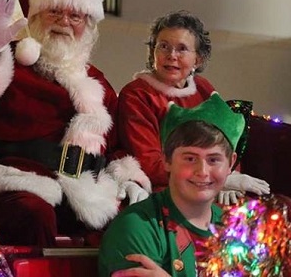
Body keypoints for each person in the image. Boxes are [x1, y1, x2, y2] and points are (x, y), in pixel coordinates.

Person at [0, 0, 150, 247]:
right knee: (34, 214)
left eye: (75, 16)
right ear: (34, 17)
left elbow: (116, 145)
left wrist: (128, 180)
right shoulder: (9, 64)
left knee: (136, 225)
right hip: (17, 183)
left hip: (85, 192)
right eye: (54, 11)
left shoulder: (98, 82)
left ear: (88, 26)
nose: (64, 21)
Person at [116, 10, 269, 205]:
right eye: (163, 46)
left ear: (198, 59)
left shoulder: (203, 88)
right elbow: (149, 164)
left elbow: (227, 140)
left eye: (181, 49)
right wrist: (219, 179)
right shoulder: (137, 94)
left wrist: (230, 176)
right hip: (166, 189)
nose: (171, 55)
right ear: (153, 51)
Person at [98, 92, 244, 276]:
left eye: (214, 160)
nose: (202, 171)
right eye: (190, 158)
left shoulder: (237, 231)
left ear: (231, 163)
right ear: (167, 160)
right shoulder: (136, 227)